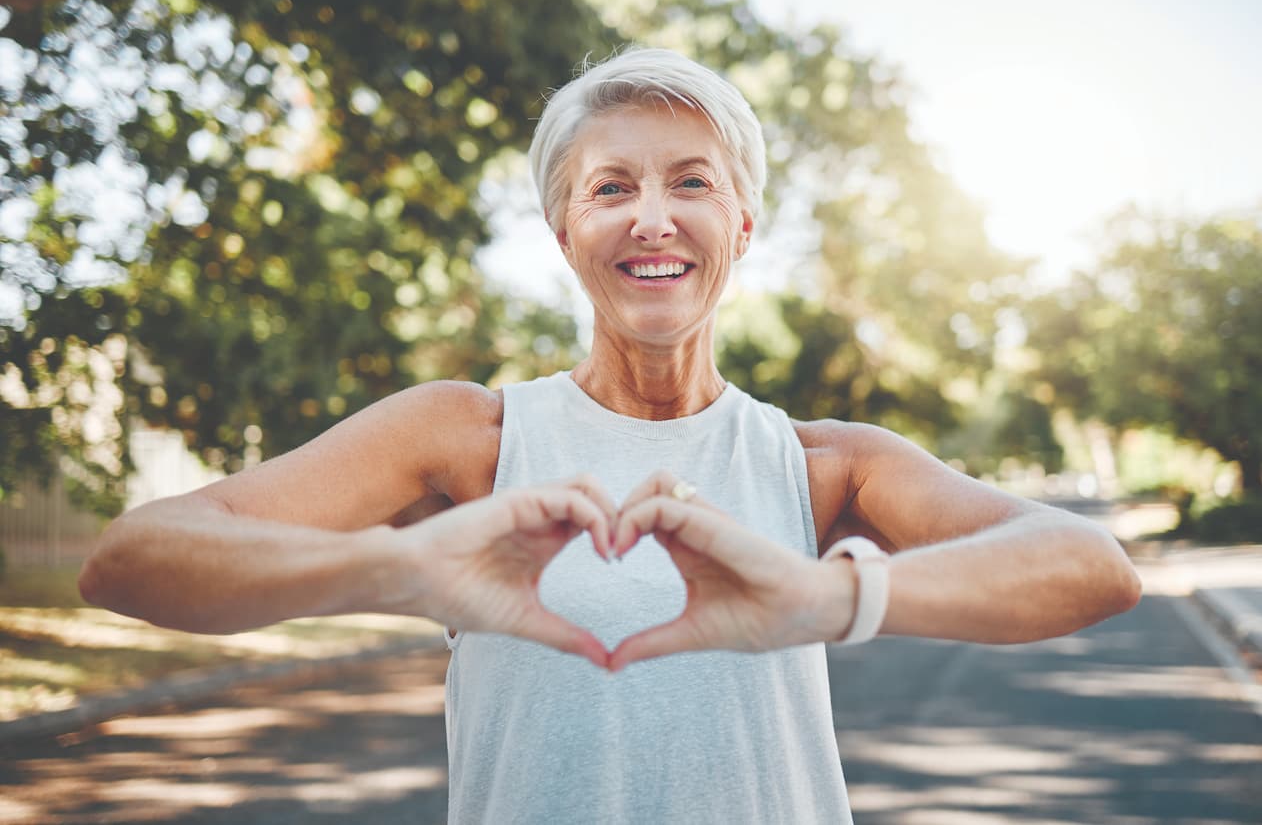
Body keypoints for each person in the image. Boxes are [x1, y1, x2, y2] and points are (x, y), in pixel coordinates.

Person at [78, 47, 1142, 823]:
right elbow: (131, 559)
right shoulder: (466, 438)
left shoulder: (824, 466)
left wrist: (827, 597)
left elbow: (1090, 567)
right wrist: (401, 569)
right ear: (565, 234)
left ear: (741, 226)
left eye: (692, 182)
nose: (652, 217)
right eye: (611, 188)